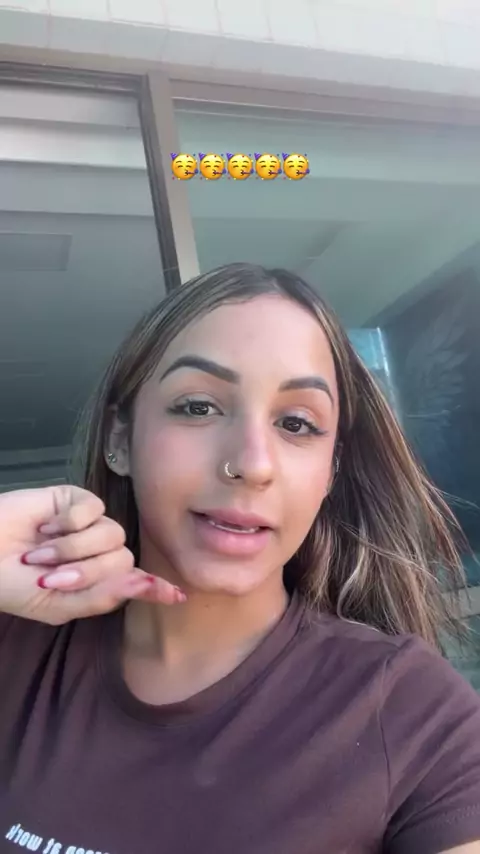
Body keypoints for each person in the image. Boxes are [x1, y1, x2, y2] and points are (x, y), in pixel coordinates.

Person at [0, 262, 479, 854]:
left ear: (331, 470)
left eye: (297, 423)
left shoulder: (413, 715)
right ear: (119, 438)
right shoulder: (20, 645)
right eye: (198, 407)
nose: (252, 464)